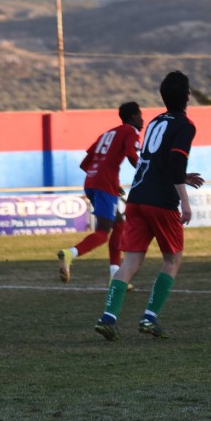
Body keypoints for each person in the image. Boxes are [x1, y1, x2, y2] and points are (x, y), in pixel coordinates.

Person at [94, 71, 203, 341]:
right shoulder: (185, 125)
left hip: (138, 196)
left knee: (131, 259)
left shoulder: (154, 121)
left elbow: (153, 160)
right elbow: (176, 162)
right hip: (161, 201)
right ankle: (149, 317)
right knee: (173, 259)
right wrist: (185, 201)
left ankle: (108, 317)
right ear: (187, 96)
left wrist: (182, 178)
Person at [57, 101, 143, 285]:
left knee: (119, 224)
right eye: (140, 116)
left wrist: (108, 180)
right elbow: (131, 154)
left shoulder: (107, 133)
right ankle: (70, 254)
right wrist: (146, 172)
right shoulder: (130, 131)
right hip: (104, 184)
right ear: (134, 116)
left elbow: (84, 164)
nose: (142, 121)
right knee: (103, 232)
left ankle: (115, 274)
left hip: (91, 181)